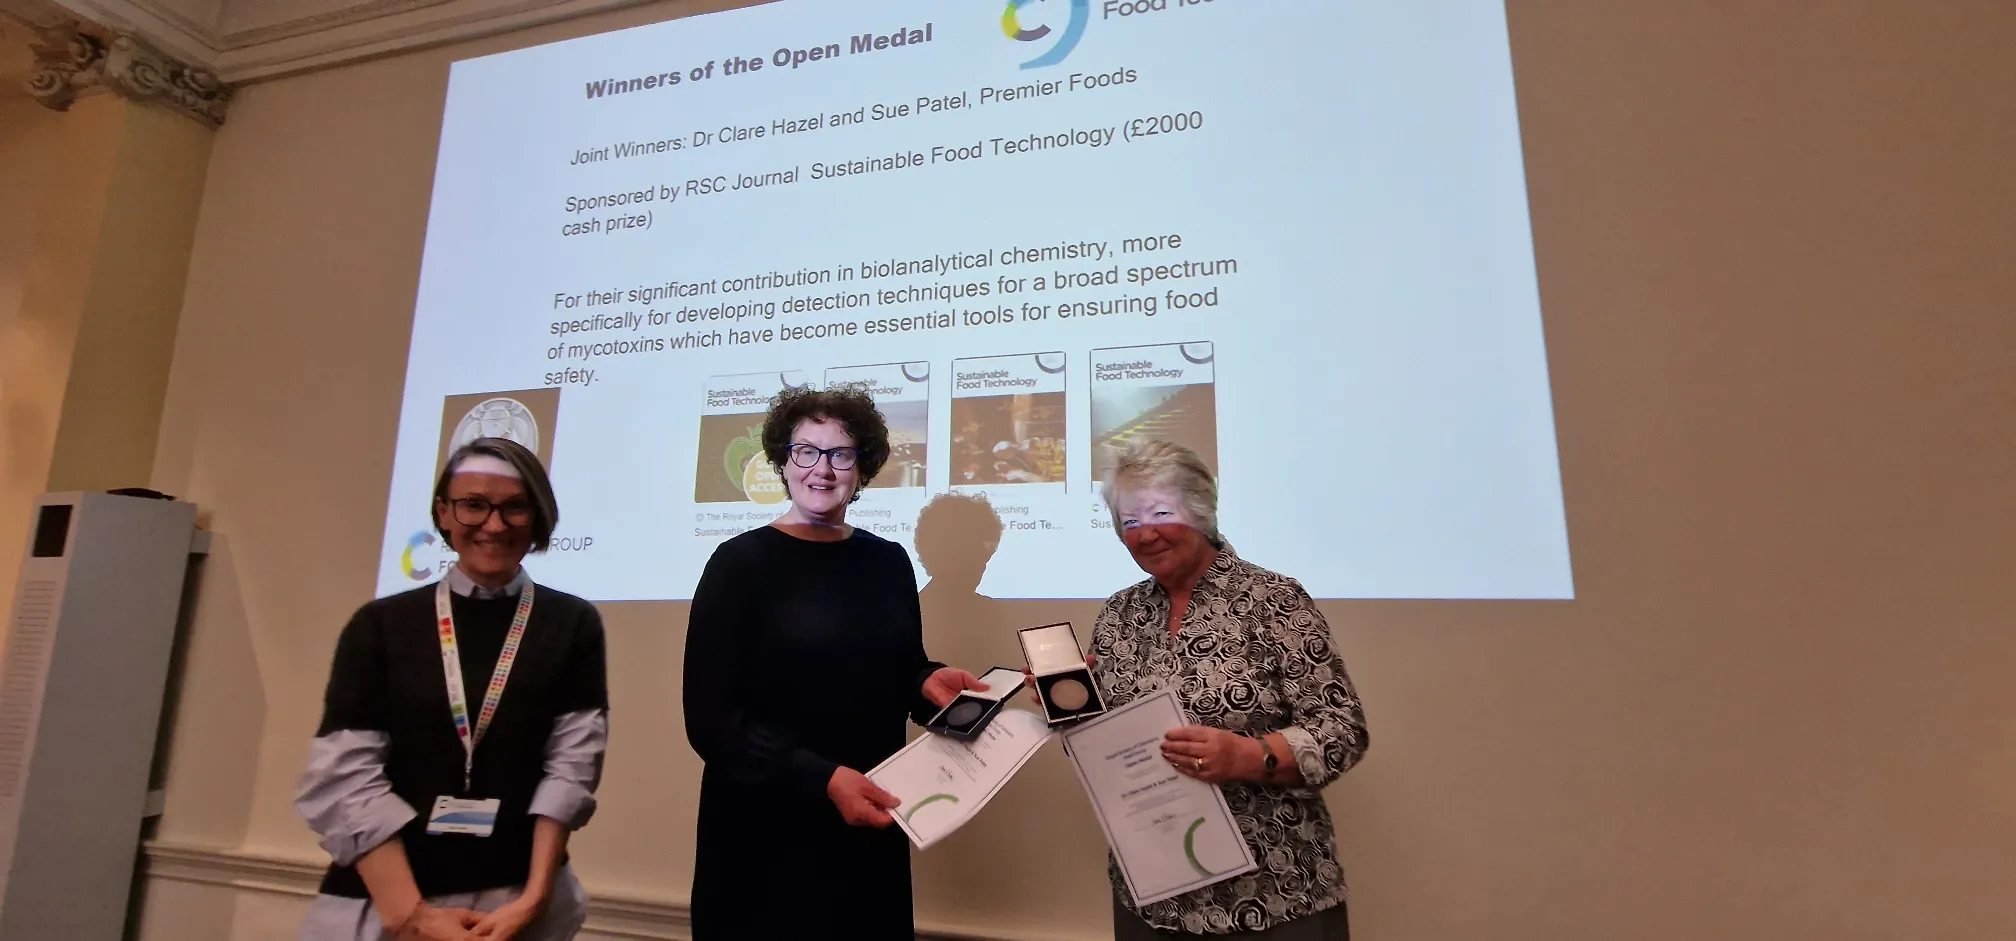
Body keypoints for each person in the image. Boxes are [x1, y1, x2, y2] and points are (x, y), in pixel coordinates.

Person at [683, 385, 990, 940]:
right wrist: (823, 779)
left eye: (841, 453)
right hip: (763, 840)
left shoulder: (887, 562)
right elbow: (710, 721)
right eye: (807, 451)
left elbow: (895, 671)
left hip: (867, 821)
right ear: (783, 459)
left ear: (863, 466)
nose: (822, 469)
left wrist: (927, 682)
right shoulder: (738, 564)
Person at [296, 438, 607, 941]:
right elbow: (345, 777)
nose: (494, 524)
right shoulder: (380, 625)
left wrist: (533, 899)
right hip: (385, 904)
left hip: (514, 910)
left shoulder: (572, 624)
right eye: (474, 505)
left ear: (538, 516)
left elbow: (572, 769)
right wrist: (412, 915)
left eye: (514, 507)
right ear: (443, 513)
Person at [1089, 438, 1368, 939]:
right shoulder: (1118, 614)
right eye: (1129, 521)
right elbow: (1110, 744)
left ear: (1200, 512)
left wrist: (1249, 756)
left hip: (1273, 893)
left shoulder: (1272, 599)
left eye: (1161, 513)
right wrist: (1069, 704)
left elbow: (1343, 730)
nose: (1145, 534)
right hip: (1151, 897)